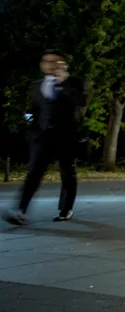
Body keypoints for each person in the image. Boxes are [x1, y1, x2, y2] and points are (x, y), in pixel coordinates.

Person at [5, 50, 87, 226]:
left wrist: (63, 83)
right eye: (46, 61)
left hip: (66, 137)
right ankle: (21, 210)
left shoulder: (74, 83)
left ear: (63, 64)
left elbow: (81, 102)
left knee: (67, 173)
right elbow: (34, 109)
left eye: (55, 62)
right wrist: (32, 130)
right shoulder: (37, 85)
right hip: (42, 138)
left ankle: (66, 209)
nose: (50, 65)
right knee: (33, 173)